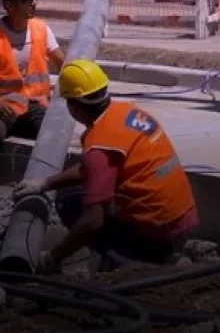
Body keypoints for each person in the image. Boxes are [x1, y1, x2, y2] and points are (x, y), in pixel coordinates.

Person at [13, 59, 199, 273]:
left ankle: (131, 263)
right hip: (181, 217)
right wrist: (44, 184)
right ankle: (169, 253)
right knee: (74, 198)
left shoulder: (99, 145)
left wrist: (53, 256)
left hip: (156, 229)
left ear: (73, 106)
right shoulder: (125, 112)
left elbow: (93, 221)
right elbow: (90, 170)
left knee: (73, 209)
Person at [0, 0, 65, 141]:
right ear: (9, 5)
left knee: (52, 136)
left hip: (35, 106)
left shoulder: (40, 29)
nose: (33, 2)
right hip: (4, 108)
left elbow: (64, 66)